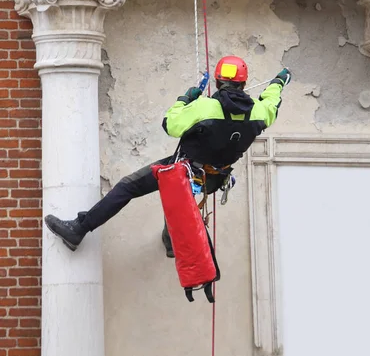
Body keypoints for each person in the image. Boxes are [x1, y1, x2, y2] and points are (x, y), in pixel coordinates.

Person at [45, 56, 291, 254]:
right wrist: (278, 82)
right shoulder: (259, 112)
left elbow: (170, 125)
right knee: (174, 192)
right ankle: (171, 241)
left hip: (185, 170)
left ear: (217, 83)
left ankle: (79, 228)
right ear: (244, 84)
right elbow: (272, 102)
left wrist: (184, 99)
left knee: (129, 186)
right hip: (215, 178)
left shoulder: (205, 107)